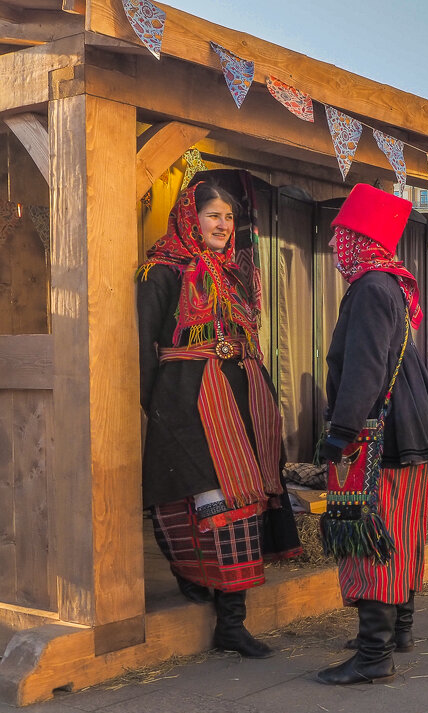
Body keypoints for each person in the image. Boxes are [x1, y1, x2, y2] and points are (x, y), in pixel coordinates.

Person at [137, 182, 301, 659]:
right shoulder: (160, 271)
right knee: (212, 498)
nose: (222, 225)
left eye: (228, 217)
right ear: (190, 217)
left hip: (242, 396)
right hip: (189, 399)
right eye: (212, 215)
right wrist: (159, 405)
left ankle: (230, 619)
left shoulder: (236, 272)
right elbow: (143, 344)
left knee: (244, 498)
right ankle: (196, 581)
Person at [316, 184, 428, 685]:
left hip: (380, 435)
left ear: (360, 237)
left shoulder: (372, 288)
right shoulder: (391, 284)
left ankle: (374, 656)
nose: (335, 246)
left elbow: (365, 367)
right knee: (402, 530)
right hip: (409, 429)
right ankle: (398, 629)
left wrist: (341, 432)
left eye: (340, 236)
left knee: (373, 533)